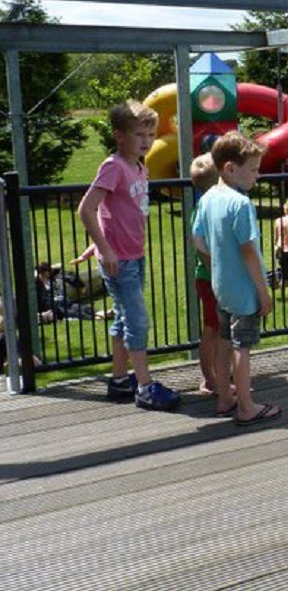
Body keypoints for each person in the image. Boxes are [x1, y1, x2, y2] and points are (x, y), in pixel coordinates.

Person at [78, 100, 181, 411]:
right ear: (119, 135)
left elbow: (117, 213)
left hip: (134, 255)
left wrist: (101, 244)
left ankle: (121, 379)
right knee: (137, 321)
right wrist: (104, 247)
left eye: (150, 134)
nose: (147, 141)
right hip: (119, 259)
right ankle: (145, 387)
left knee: (123, 319)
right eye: (140, 135)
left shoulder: (139, 166)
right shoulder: (114, 167)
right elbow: (86, 209)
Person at [192, 131, 281, 425]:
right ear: (230, 168)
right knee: (243, 346)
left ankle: (224, 397)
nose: (257, 176)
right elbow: (249, 252)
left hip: (220, 287)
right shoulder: (241, 204)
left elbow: (198, 240)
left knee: (224, 342)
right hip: (244, 292)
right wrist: (264, 292)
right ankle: (246, 407)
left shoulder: (207, 199)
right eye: (253, 170)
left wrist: (218, 261)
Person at [189, 152, 229, 397]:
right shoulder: (203, 210)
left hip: (216, 277)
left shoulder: (209, 207)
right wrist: (219, 274)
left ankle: (220, 373)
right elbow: (202, 247)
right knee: (213, 328)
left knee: (220, 328)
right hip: (211, 278)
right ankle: (209, 379)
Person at [34, 262, 113, 322]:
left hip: (65, 301)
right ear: (42, 272)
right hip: (56, 307)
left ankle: (101, 313)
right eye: (48, 271)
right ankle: (98, 317)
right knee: (75, 313)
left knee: (82, 308)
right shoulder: (36, 283)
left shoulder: (52, 277)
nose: (50, 272)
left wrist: (81, 285)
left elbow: (67, 272)